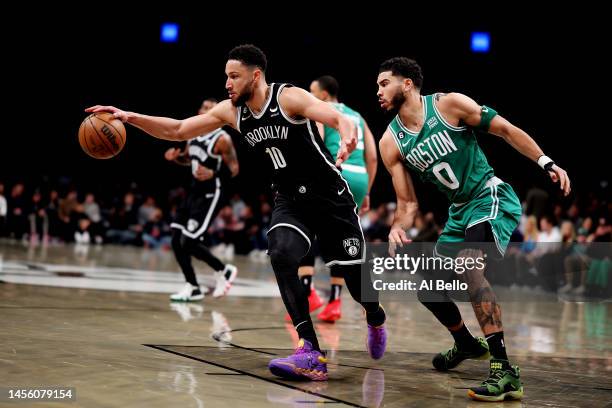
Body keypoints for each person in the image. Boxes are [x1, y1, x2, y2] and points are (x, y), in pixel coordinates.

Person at [86, 44, 386, 381]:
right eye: (226, 76)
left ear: (255, 76)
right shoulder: (232, 112)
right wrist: (129, 117)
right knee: (282, 253)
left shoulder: (287, 98)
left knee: (357, 282)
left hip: (330, 197)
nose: (227, 84)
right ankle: (310, 351)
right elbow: (179, 130)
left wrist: (346, 135)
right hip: (290, 199)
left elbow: (335, 117)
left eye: (233, 76)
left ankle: (375, 317)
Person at [376, 57, 570, 401]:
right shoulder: (390, 142)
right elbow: (407, 204)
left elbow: (506, 130)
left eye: (384, 83)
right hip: (459, 212)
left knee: (470, 267)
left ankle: (505, 370)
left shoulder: (449, 104)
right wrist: (395, 228)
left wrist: (545, 161)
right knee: (428, 288)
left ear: (407, 84)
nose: (378, 90)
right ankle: (465, 343)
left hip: (488, 195)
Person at [291, 75, 378, 323]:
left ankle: (308, 293)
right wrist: (367, 190)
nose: (308, 95)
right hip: (360, 177)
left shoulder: (322, 110)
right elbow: (371, 156)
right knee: (344, 239)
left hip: (334, 172)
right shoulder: (358, 116)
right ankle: (335, 302)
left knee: (305, 225)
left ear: (324, 95)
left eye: (312, 91)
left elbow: (313, 143)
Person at [165, 98, 240, 301]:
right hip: (193, 191)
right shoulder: (192, 134)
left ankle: (224, 270)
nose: (206, 110)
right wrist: (177, 158)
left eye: (211, 108)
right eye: (204, 107)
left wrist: (214, 173)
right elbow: (190, 159)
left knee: (188, 241)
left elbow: (234, 169)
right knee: (175, 240)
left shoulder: (222, 139)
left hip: (211, 192)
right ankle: (193, 286)